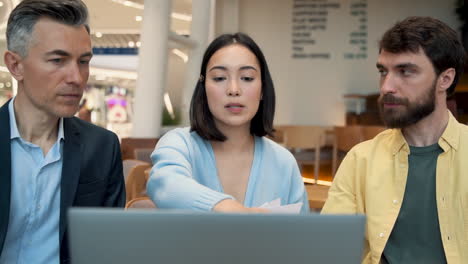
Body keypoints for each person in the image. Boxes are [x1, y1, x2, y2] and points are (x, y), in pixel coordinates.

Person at [321, 16, 467, 264]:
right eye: (383, 72)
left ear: (445, 79)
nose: (387, 86)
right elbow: (330, 250)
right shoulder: (360, 160)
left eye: (406, 71)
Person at [0, 1, 126, 263]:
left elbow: (107, 248)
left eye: (83, 62)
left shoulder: (102, 147)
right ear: (15, 65)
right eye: (58, 60)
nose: (77, 78)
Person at [147, 33, 309, 213]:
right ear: (204, 87)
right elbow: (165, 185)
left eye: (247, 78)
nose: (234, 90)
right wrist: (230, 209)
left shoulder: (283, 161)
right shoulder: (180, 144)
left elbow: (302, 234)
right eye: (219, 78)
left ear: (263, 89)